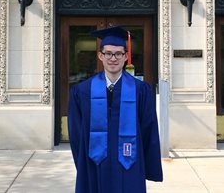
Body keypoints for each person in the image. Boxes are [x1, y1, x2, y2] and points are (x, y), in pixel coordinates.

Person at [68, 26, 163, 193]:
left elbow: (149, 130)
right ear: (100, 56)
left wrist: (149, 166)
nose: (113, 58)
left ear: (126, 56)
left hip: (130, 164)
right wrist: (82, 163)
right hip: (94, 164)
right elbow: (76, 133)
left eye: (118, 53)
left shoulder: (141, 90)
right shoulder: (82, 91)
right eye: (108, 53)